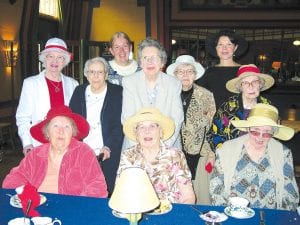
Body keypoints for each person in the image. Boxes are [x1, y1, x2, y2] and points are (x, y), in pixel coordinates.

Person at [3, 105, 108, 198]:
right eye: (55, 126)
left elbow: (98, 187)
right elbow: (13, 179)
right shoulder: (36, 154)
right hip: (36, 207)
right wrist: (26, 193)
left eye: (66, 126)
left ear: (73, 132)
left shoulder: (84, 152)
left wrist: (76, 206)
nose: (60, 131)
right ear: (47, 132)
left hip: (70, 210)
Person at [210, 103, 299, 211]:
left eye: (266, 133)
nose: (260, 138)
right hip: (234, 216)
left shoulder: (283, 153)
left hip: (269, 218)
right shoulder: (226, 150)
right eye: (255, 132)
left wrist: (278, 218)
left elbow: (291, 193)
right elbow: (216, 188)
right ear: (248, 128)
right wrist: (228, 214)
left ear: (273, 132)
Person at [69, 57, 124, 195]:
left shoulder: (118, 92)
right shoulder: (79, 91)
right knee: (83, 190)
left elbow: (120, 125)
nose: (96, 76)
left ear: (106, 74)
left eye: (100, 72)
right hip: (82, 151)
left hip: (107, 152)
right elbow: (72, 121)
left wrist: (109, 146)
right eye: (92, 72)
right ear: (86, 74)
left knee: (107, 190)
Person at [118, 107, 195, 204]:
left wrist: (179, 217)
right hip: (137, 210)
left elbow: (188, 196)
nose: (147, 131)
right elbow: (121, 193)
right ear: (136, 134)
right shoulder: (128, 156)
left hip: (171, 211)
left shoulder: (175, 155)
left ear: (161, 132)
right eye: (141, 127)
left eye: (152, 126)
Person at [166, 55, 216, 204]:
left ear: (195, 75)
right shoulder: (168, 94)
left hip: (199, 154)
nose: (185, 75)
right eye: (181, 72)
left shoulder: (206, 95)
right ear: (174, 75)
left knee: (199, 196)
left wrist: (210, 153)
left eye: (190, 71)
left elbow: (211, 126)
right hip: (172, 153)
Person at [16, 37, 78, 155]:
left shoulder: (73, 84)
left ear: (64, 61)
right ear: (44, 59)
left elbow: (75, 118)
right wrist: (27, 143)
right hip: (39, 144)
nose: (55, 61)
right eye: (50, 56)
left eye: (59, 57)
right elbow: (23, 118)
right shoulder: (31, 83)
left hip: (66, 145)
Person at [122, 37, 183, 149]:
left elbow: (177, 119)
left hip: (168, 145)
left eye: (154, 57)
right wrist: (141, 149)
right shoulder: (129, 82)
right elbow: (128, 119)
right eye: (145, 58)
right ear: (140, 62)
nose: (150, 62)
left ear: (162, 62)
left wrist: (162, 149)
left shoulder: (173, 84)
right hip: (135, 146)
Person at [206, 64, 275, 151]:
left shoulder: (268, 107)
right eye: (246, 83)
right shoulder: (227, 108)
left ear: (260, 85)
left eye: (255, 82)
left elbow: (275, 135)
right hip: (232, 157)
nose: (251, 86)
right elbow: (214, 135)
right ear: (240, 87)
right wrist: (225, 154)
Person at [195, 29, 248, 109]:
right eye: (220, 45)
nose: (224, 48)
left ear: (235, 48)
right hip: (216, 118)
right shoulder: (210, 72)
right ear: (216, 48)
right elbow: (198, 95)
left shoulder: (245, 71)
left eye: (229, 44)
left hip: (240, 118)